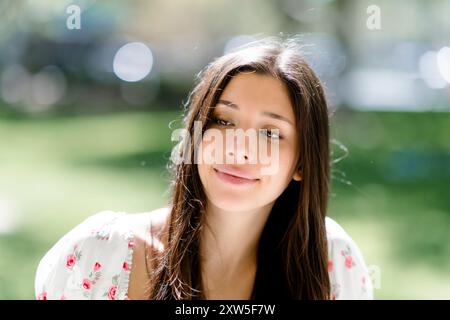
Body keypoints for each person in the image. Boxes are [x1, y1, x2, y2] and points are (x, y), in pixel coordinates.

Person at [34, 37, 373, 300]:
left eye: (270, 133)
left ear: (302, 161)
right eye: (223, 121)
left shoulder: (331, 262)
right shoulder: (100, 253)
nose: (239, 150)